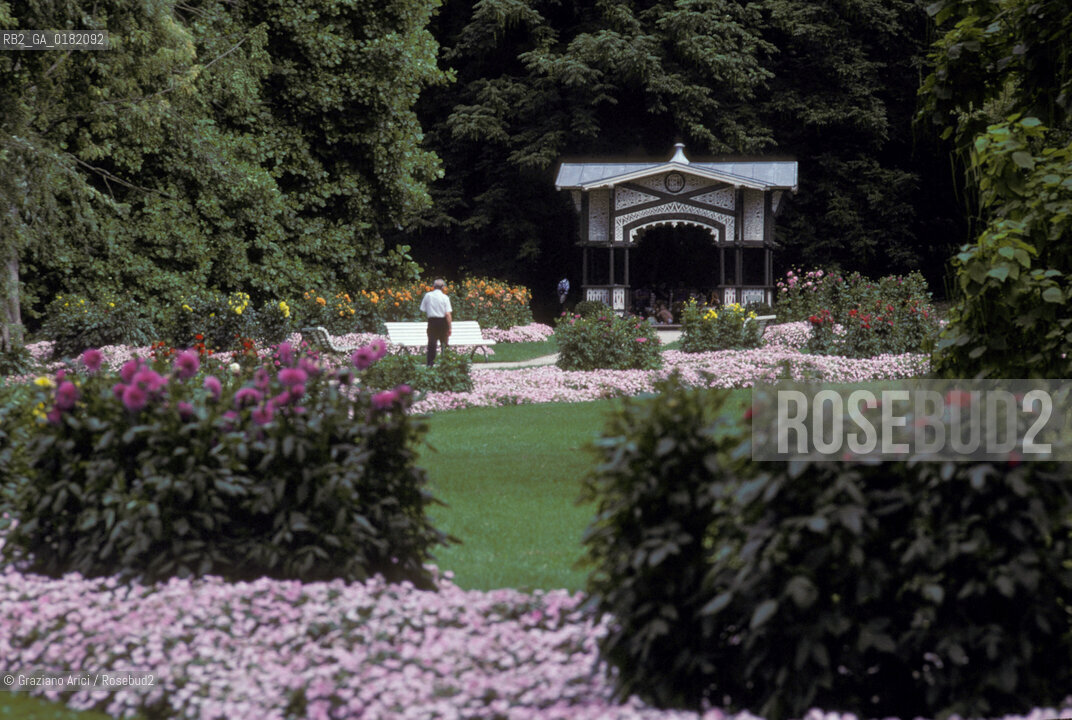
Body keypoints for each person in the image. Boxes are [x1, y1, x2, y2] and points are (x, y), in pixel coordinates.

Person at [419, 278, 452, 366]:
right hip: (443, 322)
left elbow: (423, 309)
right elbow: (448, 314)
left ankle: (430, 364)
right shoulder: (445, 297)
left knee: (432, 344)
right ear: (443, 287)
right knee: (444, 344)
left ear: (433, 286)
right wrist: (450, 327)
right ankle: (445, 364)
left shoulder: (428, 295)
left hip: (432, 321)